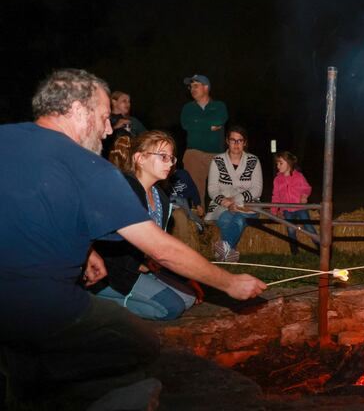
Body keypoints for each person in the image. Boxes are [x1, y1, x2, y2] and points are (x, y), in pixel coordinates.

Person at [0, 69, 266, 410]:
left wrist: (88, 248)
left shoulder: (6, 138)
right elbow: (160, 248)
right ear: (79, 111)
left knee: (23, 375)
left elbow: (42, 206)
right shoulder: (91, 168)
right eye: (104, 117)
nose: (109, 129)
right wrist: (228, 283)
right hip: (47, 305)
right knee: (140, 344)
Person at [93, 131, 202, 320]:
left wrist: (185, 277)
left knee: (189, 298)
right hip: (115, 271)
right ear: (140, 158)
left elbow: (160, 247)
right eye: (163, 157)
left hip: (144, 267)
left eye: (171, 158)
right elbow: (110, 244)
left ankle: (144, 293)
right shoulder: (125, 190)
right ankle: (99, 303)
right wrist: (142, 265)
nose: (170, 163)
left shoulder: (161, 197)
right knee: (172, 309)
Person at [206, 125, 263, 262]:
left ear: (245, 142)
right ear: (227, 141)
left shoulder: (253, 161)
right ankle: (229, 253)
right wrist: (226, 202)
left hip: (248, 204)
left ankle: (224, 250)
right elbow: (212, 189)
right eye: (233, 140)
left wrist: (236, 200)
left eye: (240, 140)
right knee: (225, 218)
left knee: (237, 218)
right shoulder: (217, 161)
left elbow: (257, 189)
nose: (236, 144)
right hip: (223, 203)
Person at [180, 74, 229, 208]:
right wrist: (208, 126)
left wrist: (196, 124)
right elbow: (185, 124)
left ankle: (219, 220)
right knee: (194, 191)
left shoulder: (219, 106)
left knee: (221, 190)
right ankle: (197, 221)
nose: (192, 89)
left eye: (196, 86)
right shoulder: (188, 108)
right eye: (190, 87)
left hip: (216, 154)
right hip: (193, 153)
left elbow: (219, 121)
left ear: (206, 87)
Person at [272, 151, 319, 254]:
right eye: (277, 163)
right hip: (287, 210)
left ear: (288, 163)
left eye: (280, 163)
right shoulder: (277, 180)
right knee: (291, 229)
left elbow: (307, 188)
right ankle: (294, 251)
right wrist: (274, 210)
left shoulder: (299, 177)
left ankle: (320, 247)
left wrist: (304, 196)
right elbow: (276, 196)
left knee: (308, 227)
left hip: (300, 207)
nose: (277, 166)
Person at [169, 167, 206, 233]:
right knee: (179, 215)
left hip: (186, 206)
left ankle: (198, 225)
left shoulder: (183, 174)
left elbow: (193, 190)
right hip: (173, 208)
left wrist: (197, 204)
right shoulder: (162, 179)